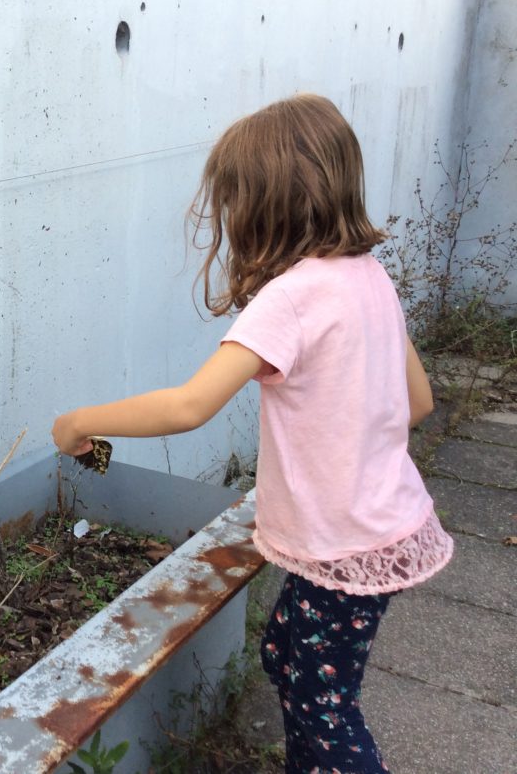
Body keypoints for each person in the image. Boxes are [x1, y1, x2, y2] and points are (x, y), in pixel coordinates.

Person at [51, 93, 453, 773]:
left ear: (268, 204)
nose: (230, 217)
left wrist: (79, 422)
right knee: (287, 655)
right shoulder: (369, 276)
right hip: (381, 523)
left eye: (235, 199)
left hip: (344, 541)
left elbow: (187, 406)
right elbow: (417, 399)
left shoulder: (291, 297)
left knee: (325, 706)